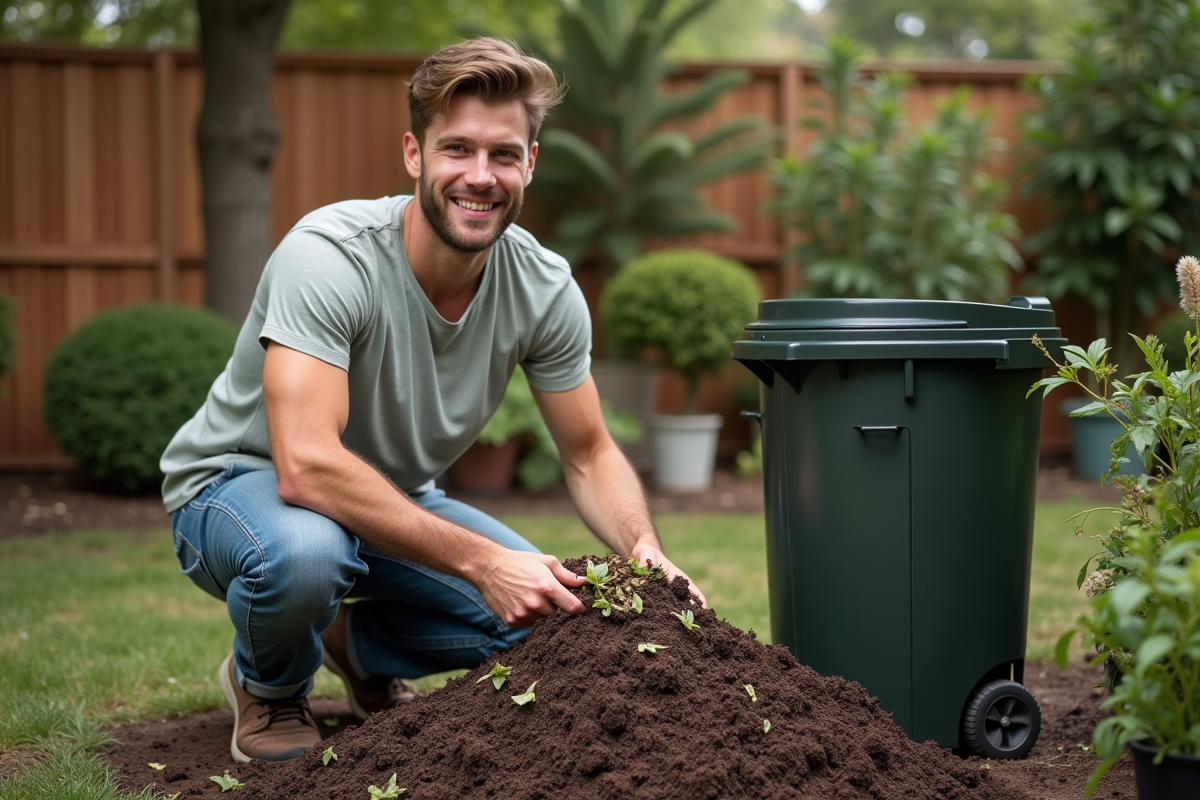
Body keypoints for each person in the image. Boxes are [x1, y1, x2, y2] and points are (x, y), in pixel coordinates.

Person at [159, 36, 704, 764]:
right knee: (307, 554)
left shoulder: (543, 288)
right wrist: (483, 563)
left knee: (561, 617)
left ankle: (352, 647)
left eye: (504, 154)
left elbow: (588, 451)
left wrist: (644, 550)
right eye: (457, 150)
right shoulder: (329, 256)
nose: (480, 176)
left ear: (530, 164)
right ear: (415, 154)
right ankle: (269, 685)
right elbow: (307, 466)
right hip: (238, 485)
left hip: (393, 497)